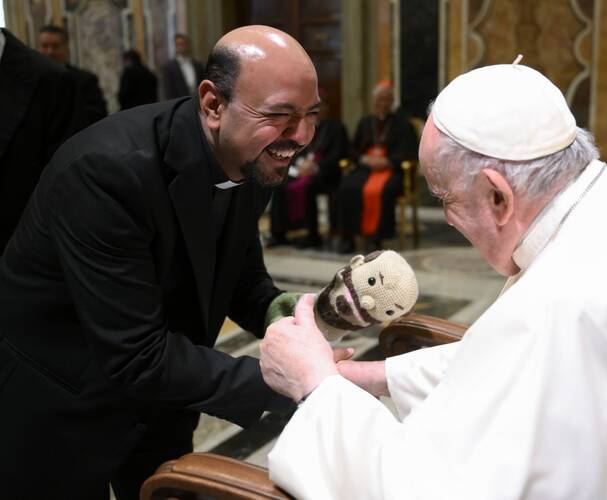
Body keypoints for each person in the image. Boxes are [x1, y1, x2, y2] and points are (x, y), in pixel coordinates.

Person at [260, 63, 607, 499]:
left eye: (446, 198)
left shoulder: (562, 306)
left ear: (497, 196)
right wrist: (372, 376)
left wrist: (317, 384)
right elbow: (511, 360)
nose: (448, 221)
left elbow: (420, 486)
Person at [0, 26, 321, 499]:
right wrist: (296, 385)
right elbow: (137, 353)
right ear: (213, 105)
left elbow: (240, 278)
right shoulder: (106, 173)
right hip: (61, 402)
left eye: (312, 114)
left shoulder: (251, 158)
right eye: (281, 116)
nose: (303, 136)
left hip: (164, 403)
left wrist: (298, 315)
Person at [0, 28, 81, 253]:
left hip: (20, 250)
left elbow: (63, 180)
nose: (50, 50)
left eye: (55, 45)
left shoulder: (52, 80)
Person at [334, 81, 418, 253]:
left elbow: (410, 152)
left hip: (391, 170)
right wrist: (364, 159)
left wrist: (388, 161)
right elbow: (352, 149)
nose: (382, 104)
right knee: (346, 188)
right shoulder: (365, 122)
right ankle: (348, 237)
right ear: (373, 102)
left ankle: (376, 239)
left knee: (384, 191)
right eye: (378, 100)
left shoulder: (403, 124)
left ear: (392, 102)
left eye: (386, 100)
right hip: (366, 168)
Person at [268, 90, 348, 249]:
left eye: (320, 107)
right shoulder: (304, 127)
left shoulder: (336, 127)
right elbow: (295, 150)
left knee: (309, 186)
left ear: (327, 107)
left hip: (326, 175)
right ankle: (279, 234)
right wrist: (298, 167)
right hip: (303, 172)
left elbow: (338, 154)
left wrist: (316, 167)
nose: (316, 111)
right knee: (279, 184)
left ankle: (312, 235)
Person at [38, 24, 108, 126]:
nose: (50, 51)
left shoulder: (85, 79)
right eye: (45, 46)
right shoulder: (31, 81)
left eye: (55, 46)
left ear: (66, 47)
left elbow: (98, 114)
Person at [161, 33, 205, 100]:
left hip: (197, 101)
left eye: (184, 44)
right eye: (179, 44)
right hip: (180, 102)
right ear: (175, 46)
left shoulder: (198, 65)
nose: (182, 47)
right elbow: (168, 90)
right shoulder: (169, 67)